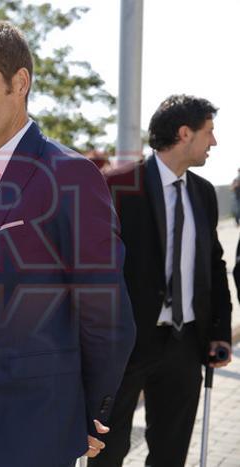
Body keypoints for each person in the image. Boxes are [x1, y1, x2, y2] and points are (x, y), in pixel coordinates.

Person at [0, 20, 136, 466]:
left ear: (19, 83)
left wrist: (80, 413)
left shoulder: (71, 174)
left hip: (36, 426)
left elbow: (106, 316)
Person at [90, 95, 233, 467]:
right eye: (209, 132)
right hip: (126, 346)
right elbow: (91, 269)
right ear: (184, 133)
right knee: (108, 452)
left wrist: (218, 328)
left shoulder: (202, 192)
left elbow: (213, 264)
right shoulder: (117, 185)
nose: (213, 142)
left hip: (185, 344)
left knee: (171, 452)